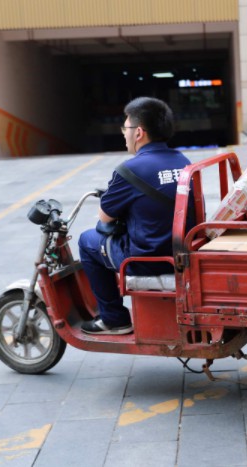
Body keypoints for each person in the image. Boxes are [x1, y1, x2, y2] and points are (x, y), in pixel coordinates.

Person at [79, 97, 194, 335]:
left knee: (87, 241)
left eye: (126, 128)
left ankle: (114, 319)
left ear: (139, 132)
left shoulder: (130, 170)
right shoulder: (183, 161)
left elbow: (105, 216)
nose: (124, 134)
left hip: (147, 260)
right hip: (181, 251)